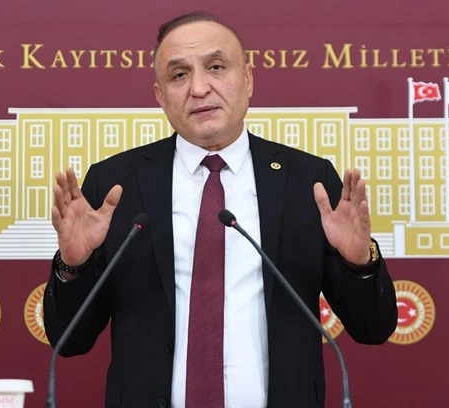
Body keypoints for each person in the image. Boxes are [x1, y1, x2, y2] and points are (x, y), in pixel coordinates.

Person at [43, 11, 397, 408]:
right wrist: (73, 266)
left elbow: (372, 329)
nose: (198, 88)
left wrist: (359, 263)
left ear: (248, 79)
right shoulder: (115, 185)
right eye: (179, 75)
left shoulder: (308, 181)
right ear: (160, 96)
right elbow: (70, 341)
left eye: (215, 67)